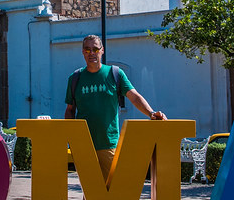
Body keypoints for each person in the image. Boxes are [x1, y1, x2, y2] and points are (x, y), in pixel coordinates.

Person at [64, 34, 166, 179]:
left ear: (102, 50)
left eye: (95, 49)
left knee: (112, 187)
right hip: (83, 146)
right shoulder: (75, 78)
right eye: (87, 49)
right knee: (90, 189)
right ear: (83, 52)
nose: (91, 53)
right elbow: (70, 110)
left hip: (109, 144)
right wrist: (72, 139)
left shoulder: (115, 74)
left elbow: (134, 96)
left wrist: (151, 113)